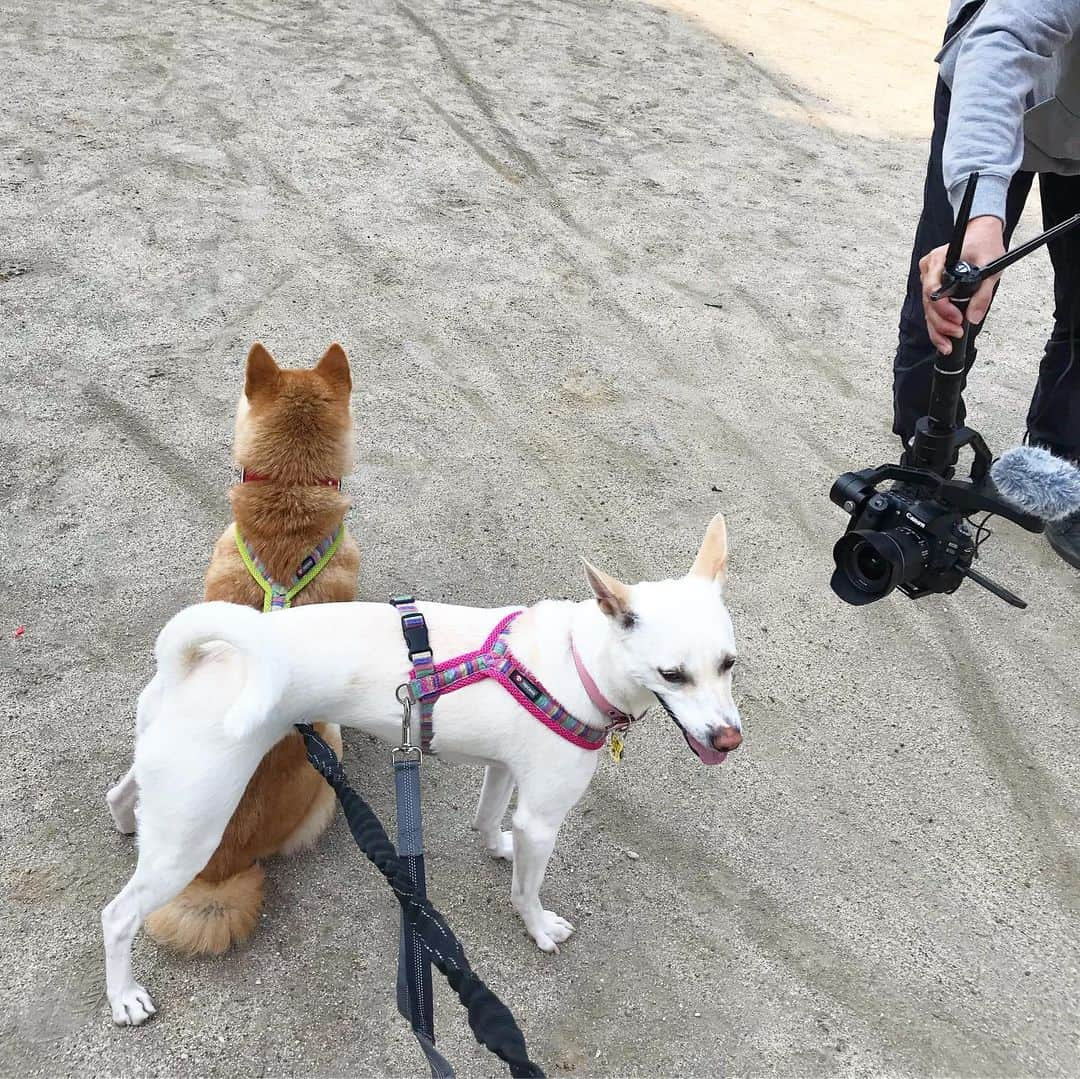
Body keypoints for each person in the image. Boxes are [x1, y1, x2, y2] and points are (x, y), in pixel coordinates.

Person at [894, 0, 1080, 568]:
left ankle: (1055, 471)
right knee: (954, 285)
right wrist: (982, 218)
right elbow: (1001, 41)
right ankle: (924, 451)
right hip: (997, 85)